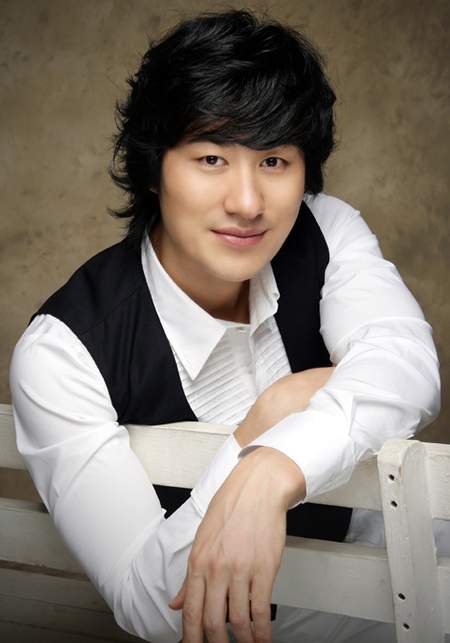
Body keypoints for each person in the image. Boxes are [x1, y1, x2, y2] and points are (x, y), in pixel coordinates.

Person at [9, 9, 445, 643]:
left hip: (402, 569)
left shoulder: (326, 228)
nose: (246, 203)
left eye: (274, 161)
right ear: (154, 167)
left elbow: (408, 367)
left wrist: (272, 466)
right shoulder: (63, 353)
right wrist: (264, 422)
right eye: (211, 158)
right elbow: (151, 605)